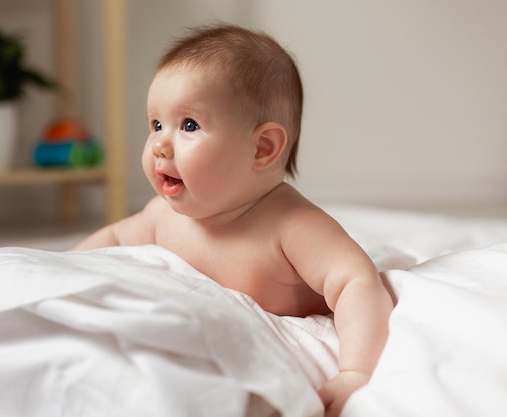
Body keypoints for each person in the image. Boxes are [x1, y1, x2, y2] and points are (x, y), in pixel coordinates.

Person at [74, 23, 393, 417]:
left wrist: (355, 371)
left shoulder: (291, 225)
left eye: (188, 125)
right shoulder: (162, 217)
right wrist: (60, 267)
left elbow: (356, 284)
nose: (159, 144)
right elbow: (112, 241)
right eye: (156, 124)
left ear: (262, 147)